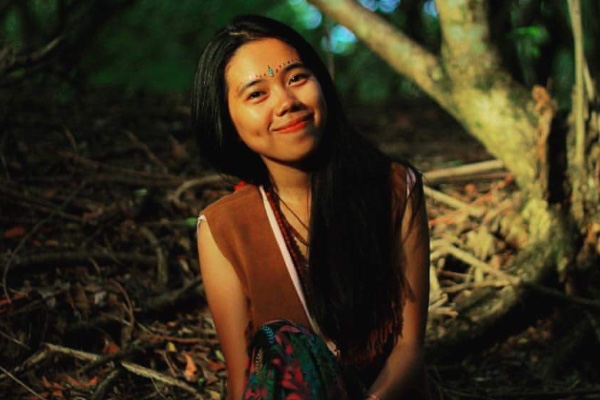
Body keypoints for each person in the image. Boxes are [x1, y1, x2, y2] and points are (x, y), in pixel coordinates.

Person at [192, 14, 431, 400]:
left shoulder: (394, 188)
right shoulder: (224, 227)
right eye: (257, 94)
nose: (286, 103)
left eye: (297, 78)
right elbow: (243, 380)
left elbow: (409, 349)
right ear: (227, 121)